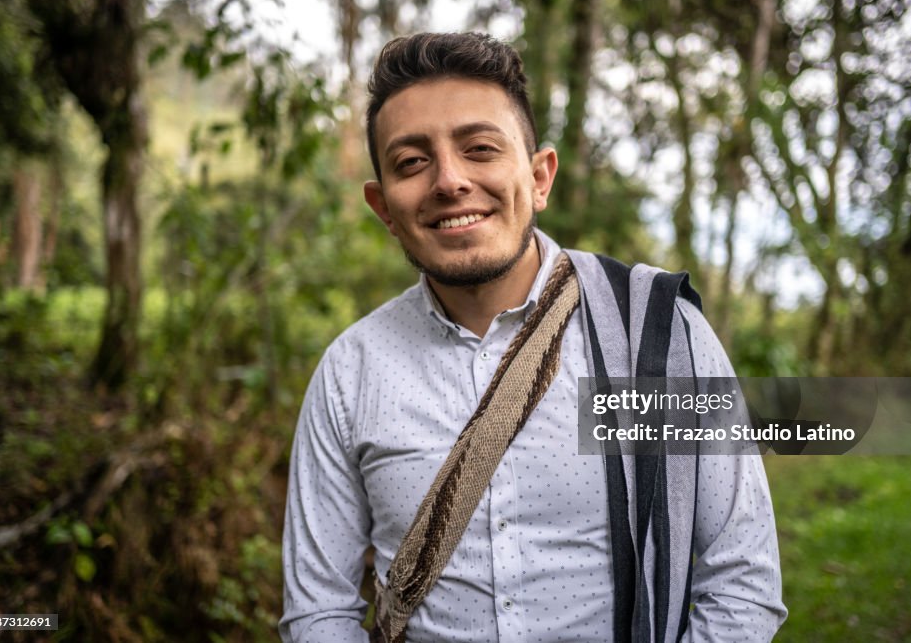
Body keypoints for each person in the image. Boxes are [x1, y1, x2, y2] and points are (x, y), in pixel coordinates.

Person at [280, 32, 786, 642]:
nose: (449, 180)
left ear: (540, 177)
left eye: (480, 148)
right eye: (412, 162)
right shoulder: (350, 372)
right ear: (384, 206)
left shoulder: (653, 333)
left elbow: (741, 580)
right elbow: (319, 613)